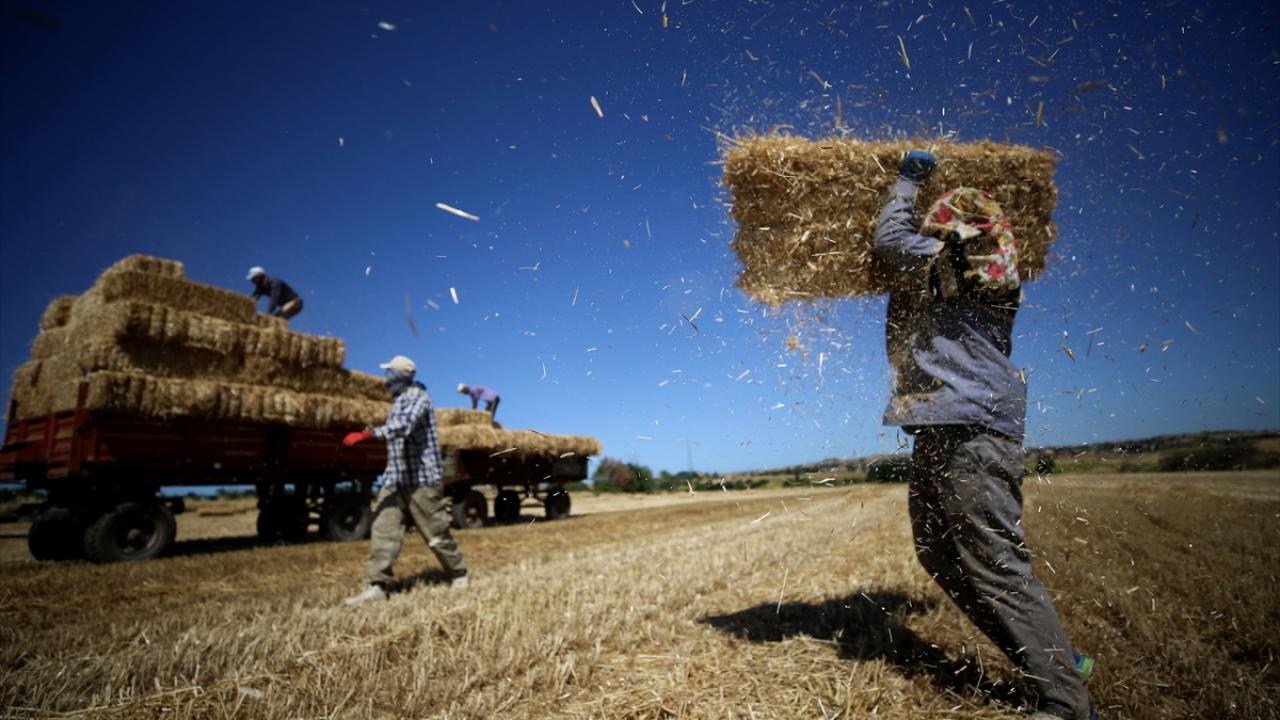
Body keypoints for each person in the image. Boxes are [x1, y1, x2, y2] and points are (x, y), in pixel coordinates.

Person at [872, 150, 1095, 720]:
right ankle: (1056, 661)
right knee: (938, 552)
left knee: (994, 562)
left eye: (941, 223)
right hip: (945, 421)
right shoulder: (979, 264)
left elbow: (888, 238)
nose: (934, 229)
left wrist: (906, 182)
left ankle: (1066, 702)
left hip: (973, 425)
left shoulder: (969, 255)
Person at [342, 354, 469, 604]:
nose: (386, 379)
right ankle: (378, 585)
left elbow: (403, 426)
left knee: (436, 533)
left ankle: (459, 574)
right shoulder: (398, 400)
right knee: (382, 531)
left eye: (389, 374)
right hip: (395, 479)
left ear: (399, 376)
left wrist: (368, 434)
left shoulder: (419, 398)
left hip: (421, 481)